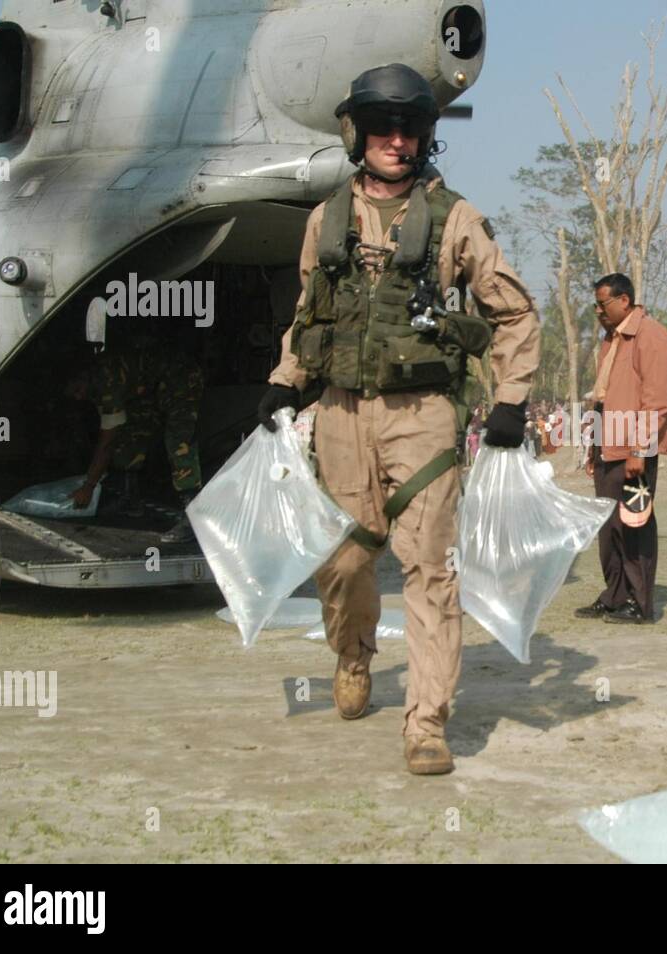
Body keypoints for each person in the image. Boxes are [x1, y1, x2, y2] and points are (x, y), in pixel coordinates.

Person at [257, 64, 540, 775]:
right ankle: (352, 656)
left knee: (431, 570)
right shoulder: (325, 222)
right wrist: (285, 381)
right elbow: (308, 316)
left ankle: (426, 722)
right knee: (347, 561)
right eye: (381, 126)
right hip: (342, 412)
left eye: (409, 127)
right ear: (357, 134)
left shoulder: (457, 221)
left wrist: (511, 398)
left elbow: (512, 311)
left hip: (424, 417)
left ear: (425, 138)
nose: (395, 139)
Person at [574, 273, 667, 623]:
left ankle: (639, 602)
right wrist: (593, 446)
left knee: (634, 525)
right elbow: (605, 396)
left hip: (633, 447)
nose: (599, 312)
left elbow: (657, 402)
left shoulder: (652, 336)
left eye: (603, 304)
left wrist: (639, 449)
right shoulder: (611, 339)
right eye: (596, 306)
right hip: (608, 441)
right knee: (609, 526)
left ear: (624, 301)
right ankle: (615, 595)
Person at [65, 344, 204, 543]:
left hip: (181, 379)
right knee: (132, 430)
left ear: (84, 378)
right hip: (151, 387)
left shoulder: (107, 380)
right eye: (74, 395)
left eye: (78, 390)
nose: (79, 397)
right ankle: (129, 497)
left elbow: (107, 443)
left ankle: (193, 517)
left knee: (179, 441)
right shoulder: (97, 379)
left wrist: (89, 486)